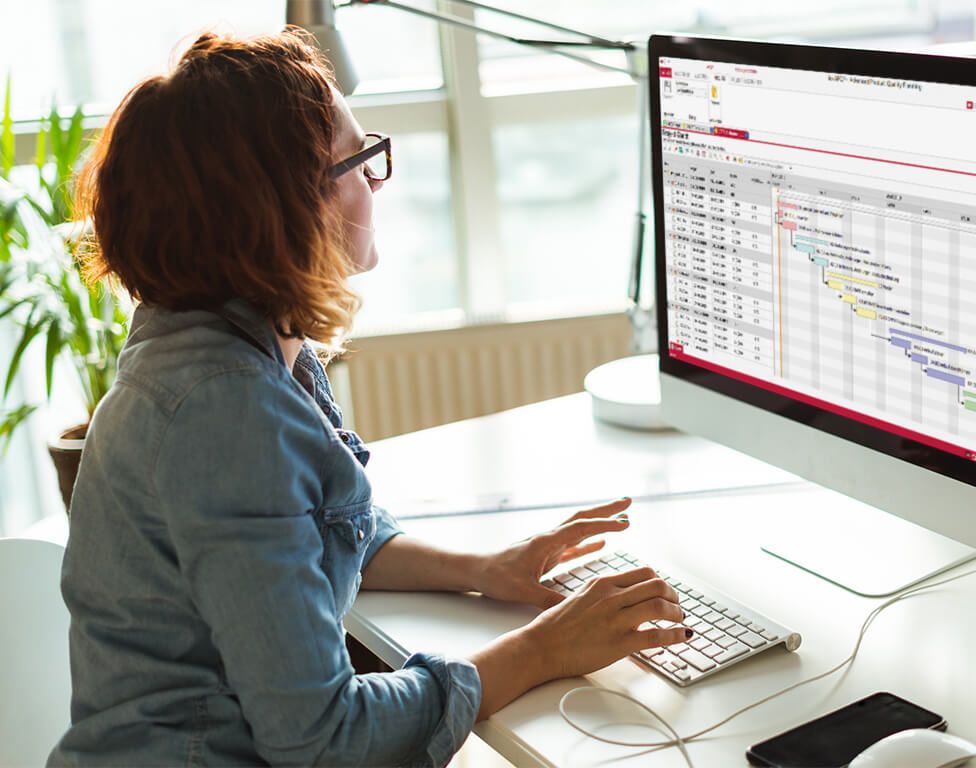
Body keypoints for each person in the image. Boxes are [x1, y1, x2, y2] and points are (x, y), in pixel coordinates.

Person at [48, 30, 688, 767]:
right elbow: (323, 738)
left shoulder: (223, 337)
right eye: (360, 161)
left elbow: (312, 532)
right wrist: (546, 648)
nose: (378, 182)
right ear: (287, 208)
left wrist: (483, 569)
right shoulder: (225, 413)